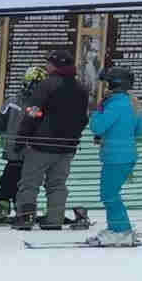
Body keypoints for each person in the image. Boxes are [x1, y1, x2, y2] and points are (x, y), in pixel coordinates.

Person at [13, 48, 89, 231]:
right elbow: (83, 118)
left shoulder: (47, 85)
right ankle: (54, 219)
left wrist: (22, 137)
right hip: (67, 147)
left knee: (29, 183)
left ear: (56, 65)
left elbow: (33, 112)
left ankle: (25, 218)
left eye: (48, 63)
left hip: (42, 144)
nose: (46, 66)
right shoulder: (81, 88)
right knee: (57, 184)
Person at [85, 64, 142, 248]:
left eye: (107, 84)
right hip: (126, 154)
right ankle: (118, 229)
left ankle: (121, 231)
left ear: (114, 84)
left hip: (115, 157)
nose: (105, 88)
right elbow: (140, 129)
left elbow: (97, 126)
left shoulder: (114, 104)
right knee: (111, 194)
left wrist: (96, 111)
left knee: (109, 194)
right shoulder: (131, 102)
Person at [0, 63, 40, 223]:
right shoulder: (13, 102)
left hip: (31, 152)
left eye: (37, 85)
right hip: (13, 150)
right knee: (11, 179)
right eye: (31, 83)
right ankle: (9, 208)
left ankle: (8, 208)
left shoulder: (39, 105)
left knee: (14, 180)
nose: (32, 87)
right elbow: (0, 121)